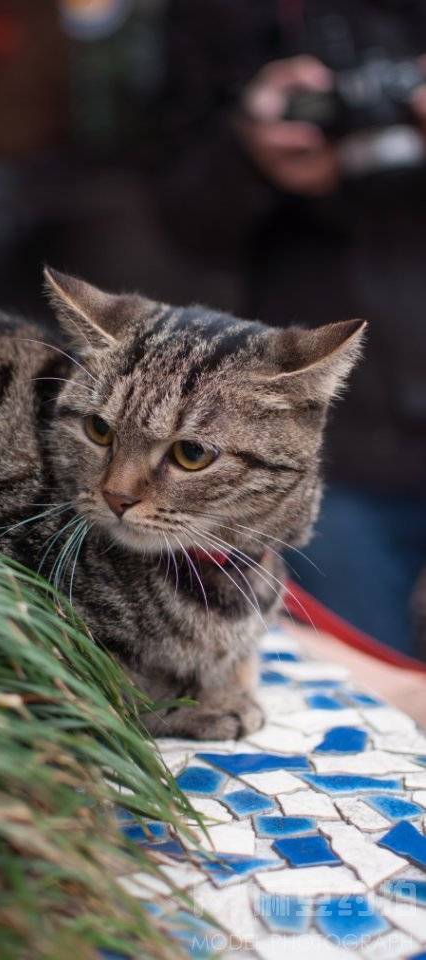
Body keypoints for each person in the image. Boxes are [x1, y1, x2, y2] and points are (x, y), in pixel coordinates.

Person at [156, 0, 426, 657]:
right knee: (363, 687)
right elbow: (181, 216)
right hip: (336, 443)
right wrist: (249, 151)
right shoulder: (217, 22)